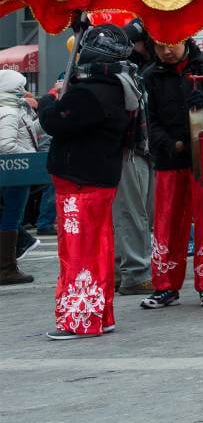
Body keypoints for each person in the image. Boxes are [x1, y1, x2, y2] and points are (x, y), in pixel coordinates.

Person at [37, 24, 139, 339]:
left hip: (79, 181)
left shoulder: (90, 93)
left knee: (78, 251)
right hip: (99, 179)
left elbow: (53, 122)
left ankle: (79, 318)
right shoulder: (122, 87)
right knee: (98, 248)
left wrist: (47, 101)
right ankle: (100, 313)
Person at [139, 35, 203, 310]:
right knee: (167, 224)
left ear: (185, 40)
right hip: (171, 157)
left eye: (171, 44)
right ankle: (165, 287)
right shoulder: (151, 75)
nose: (166, 50)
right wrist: (170, 144)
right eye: (159, 45)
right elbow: (149, 119)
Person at [111, 19, 155, 296]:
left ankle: (123, 271)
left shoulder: (137, 69)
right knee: (132, 214)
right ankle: (134, 274)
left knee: (136, 214)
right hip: (129, 150)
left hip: (138, 148)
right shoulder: (124, 70)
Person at [0, 69, 42, 286]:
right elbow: (6, 145)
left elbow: (25, 132)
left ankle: (7, 265)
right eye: (21, 87)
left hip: (15, 171)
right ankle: (7, 267)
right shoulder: (9, 111)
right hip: (16, 171)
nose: (25, 91)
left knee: (12, 216)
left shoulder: (14, 109)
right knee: (12, 217)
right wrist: (28, 158)